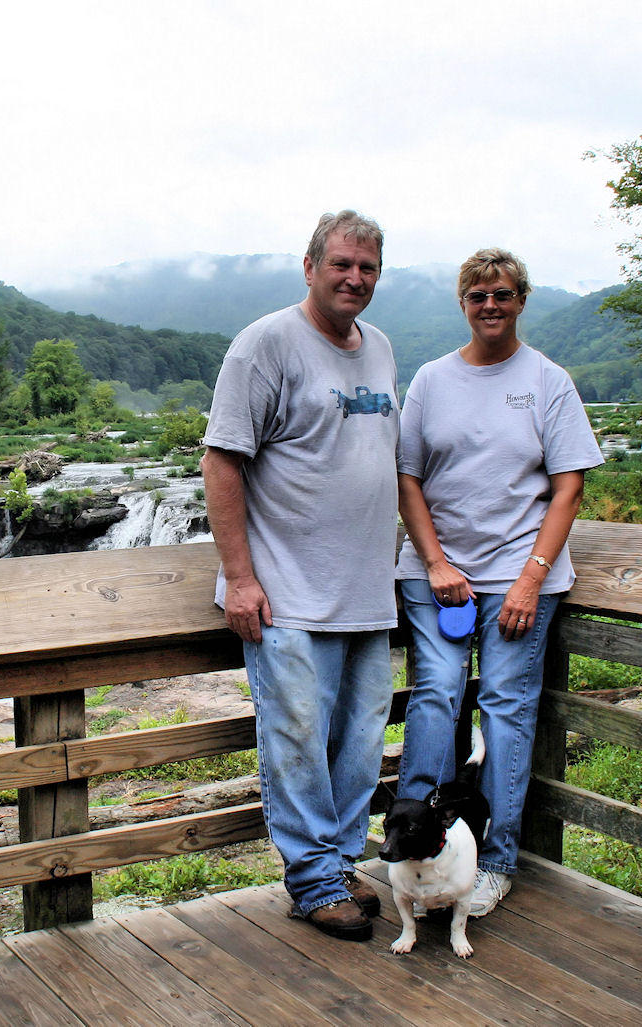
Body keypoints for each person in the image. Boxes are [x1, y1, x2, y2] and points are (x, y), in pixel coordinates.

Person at [202, 210, 403, 942]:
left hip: (365, 594)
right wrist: (240, 576)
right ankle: (314, 880)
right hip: (286, 594)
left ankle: (343, 864)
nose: (355, 278)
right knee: (296, 739)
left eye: (369, 267)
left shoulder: (379, 347)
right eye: (343, 264)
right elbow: (222, 460)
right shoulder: (265, 344)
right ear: (311, 265)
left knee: (356, 743)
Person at [394, 247, 603, 918]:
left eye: (504, 294)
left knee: (507, 708)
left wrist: (529, 578)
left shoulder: (548, 380)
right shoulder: (431, 379)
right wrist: (434, 562)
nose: (492, 305)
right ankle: (418, 853)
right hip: (438, 576)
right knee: (436, 697)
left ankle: (495, 860)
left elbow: (569, 485)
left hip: (523, 579)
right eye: (479, 294)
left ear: (521, 300)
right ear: (463, 302)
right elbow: (408, 477)